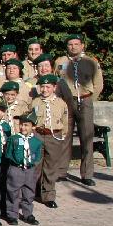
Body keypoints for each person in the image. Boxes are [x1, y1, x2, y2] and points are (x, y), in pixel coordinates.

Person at [55, 34, 103, 187]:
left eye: (76, 44)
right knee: (65, 136)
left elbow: (98, 84)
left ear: (82, 46)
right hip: (66, 102)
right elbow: (56, 82)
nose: (73, 47)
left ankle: (87, 174)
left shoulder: (91, 62)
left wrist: (88, 99)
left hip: (85, 100)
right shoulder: (60, 62)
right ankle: (61, 171)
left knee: (86, 137)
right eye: (70, 44)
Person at [28, 74, 69, 209]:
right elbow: (31, 119)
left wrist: (62, 136)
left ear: (54, 88)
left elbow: (65, 121)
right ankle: (32, 192)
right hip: (38, 135)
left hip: (53, 136)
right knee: (36, 165)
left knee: (51, 167)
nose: (45, 90)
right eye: (42, 87)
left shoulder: (61, 103)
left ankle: (48, 195)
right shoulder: (35, 102)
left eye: (48, 87)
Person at [4, 112, 43, 226]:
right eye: (21, 124)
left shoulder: (36, 141)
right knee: (13, 192)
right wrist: (16, 163)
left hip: (29, 170)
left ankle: (28, 214)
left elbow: (38, 155)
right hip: (16, 169)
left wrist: (31, 164)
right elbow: (8, 153)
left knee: (29, 192)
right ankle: (12, 214)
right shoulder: (13, 139)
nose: (22, 127)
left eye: (26, 125)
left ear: (33, 127)